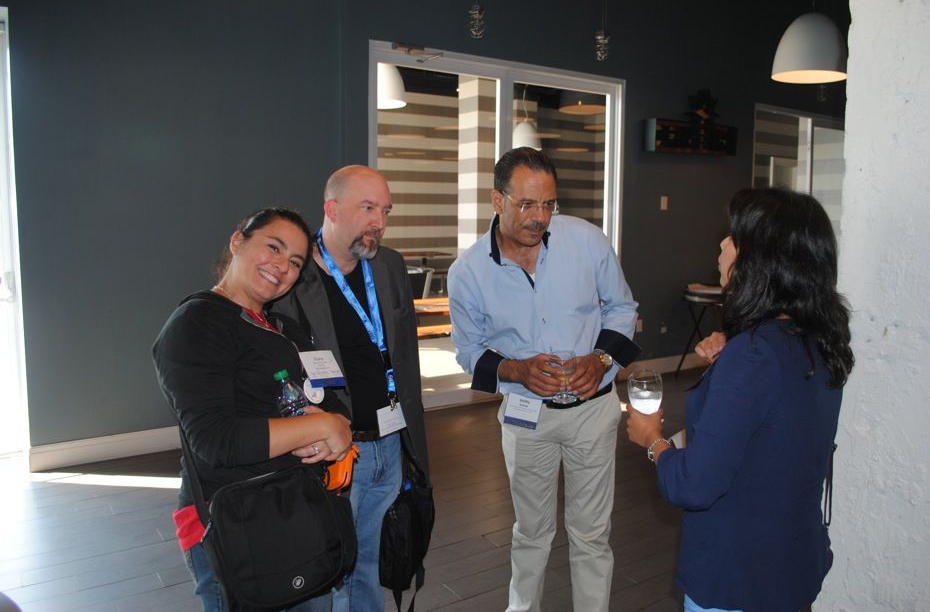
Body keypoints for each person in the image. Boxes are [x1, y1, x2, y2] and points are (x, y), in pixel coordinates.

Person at [626, 188, 855, 612]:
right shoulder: (820, 339)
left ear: (763, 260)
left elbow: (693, 485)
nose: (722, 244)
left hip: (738, 577)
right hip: (792, 564)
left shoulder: (753, 355)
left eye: (735, 237)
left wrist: (651, 440)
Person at [447, 147, 640, 612]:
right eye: (527, 204)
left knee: (592, 533)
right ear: (498, 200)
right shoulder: (468, 272)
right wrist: (517, 370)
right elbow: (469, 354)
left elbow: (623, 308)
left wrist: (600, 359)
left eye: (549, 204)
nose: (540, 217)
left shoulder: (587, 241)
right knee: (532, 531)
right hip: (525, 416)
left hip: (593, 412)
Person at [152, 207, 354, 612]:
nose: (283, 267)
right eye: (273, 247)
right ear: (237, 241)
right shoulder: (197, 325)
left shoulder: (283, 328)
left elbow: (326, 402)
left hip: (297, 508)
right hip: (233, 522)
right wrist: (326, 427)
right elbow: (218, 441)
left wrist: (336, 429)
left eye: (295, 261)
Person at [271, 166, 430, 612]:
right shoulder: (293, 277)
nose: (378, 221)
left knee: (369, 562)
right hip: (337, 453)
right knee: (331, 567)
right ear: (331, 209)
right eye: (367, 208)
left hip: (390, 444)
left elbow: (405, 359)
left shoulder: (389, 265)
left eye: (385, 210)